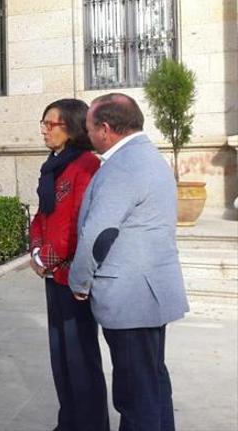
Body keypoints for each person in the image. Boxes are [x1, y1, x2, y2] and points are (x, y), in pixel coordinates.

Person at [70, 93, 189, 431]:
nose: (88, 135)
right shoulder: (148, 155)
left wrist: (80, 281)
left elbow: (98, 233)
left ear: (106, 129)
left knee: (134, 394)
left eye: (90, 128)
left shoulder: (123, 165)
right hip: (150, 293)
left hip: (130, 297)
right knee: (152, 383)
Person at [29, 99, 109, 431]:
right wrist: (35, 250)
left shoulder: (87, 164)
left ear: (73, 128)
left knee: (80, 357)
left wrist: (46, 257)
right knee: (60, 354)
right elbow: (41, 216)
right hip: (52, 272)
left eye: (52, 124)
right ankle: (69, 421)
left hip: (74, 276)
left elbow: (78, 222)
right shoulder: (53, 164)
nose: (45, 131)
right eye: (44, 124)